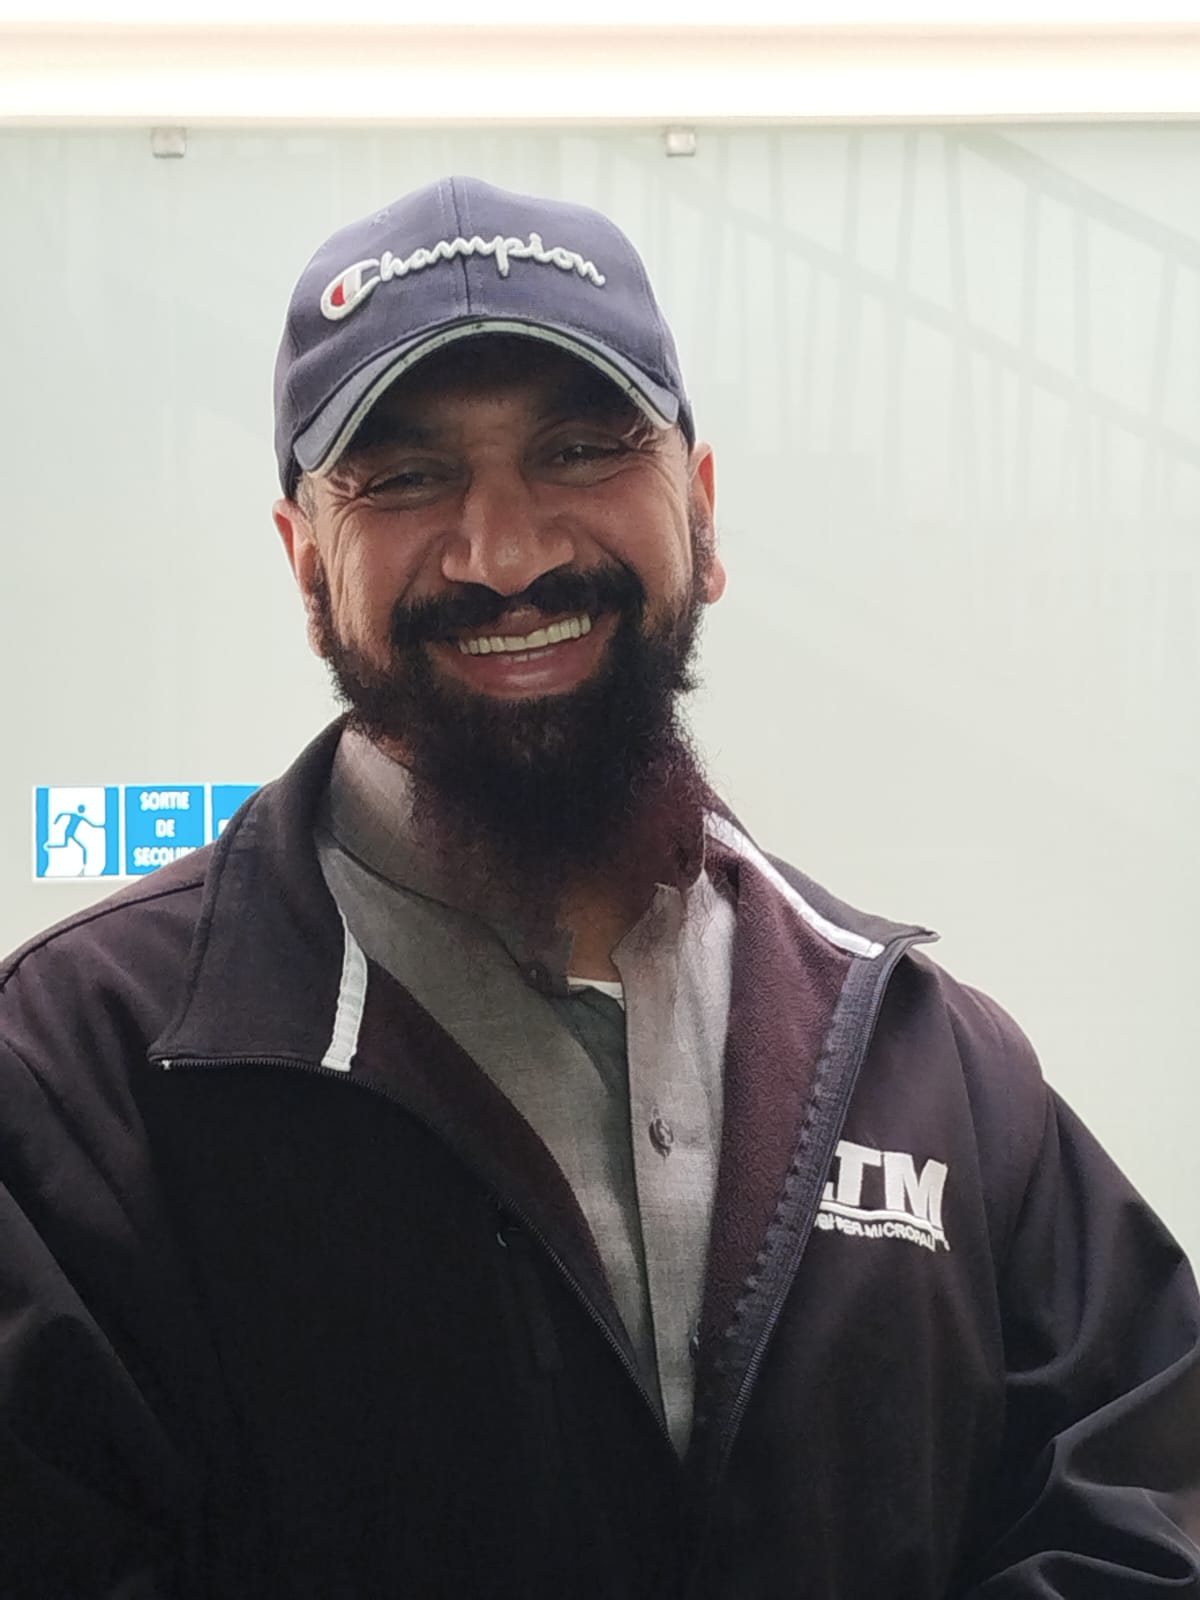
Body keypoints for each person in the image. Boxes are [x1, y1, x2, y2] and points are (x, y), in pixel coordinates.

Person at [1, 175, 1197, 1600]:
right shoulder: (83, 1077)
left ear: (702, 510)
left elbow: (1146, 1501)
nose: (506, 554)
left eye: (581, 450)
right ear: (305, 560)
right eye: (404, 477)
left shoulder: (934, 1069)